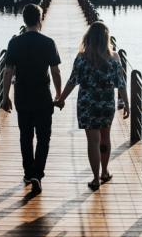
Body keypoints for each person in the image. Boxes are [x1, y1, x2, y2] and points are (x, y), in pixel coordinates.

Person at [55, 21, 129, 191]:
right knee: (105, 138)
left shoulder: (82, 57)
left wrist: (61, 99)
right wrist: (126, 103)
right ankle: (105, 171)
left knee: (93, 141)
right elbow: (121, 83)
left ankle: (95, 179)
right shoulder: (115, 57)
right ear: (106, 38)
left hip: (87, 103)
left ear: (88, 37)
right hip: (106, 103)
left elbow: (72, 81)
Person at [0, 3, 62, 194]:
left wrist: (5, 97)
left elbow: (7, 72)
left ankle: (28, 172)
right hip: (42, 96)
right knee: (44, 137)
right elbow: (55, 70)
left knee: (25, 136)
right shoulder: (48, 42)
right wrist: (59, 94)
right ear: (40, 19)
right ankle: (37, 174)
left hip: (22, 96)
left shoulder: (14, 43)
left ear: (24, 20)